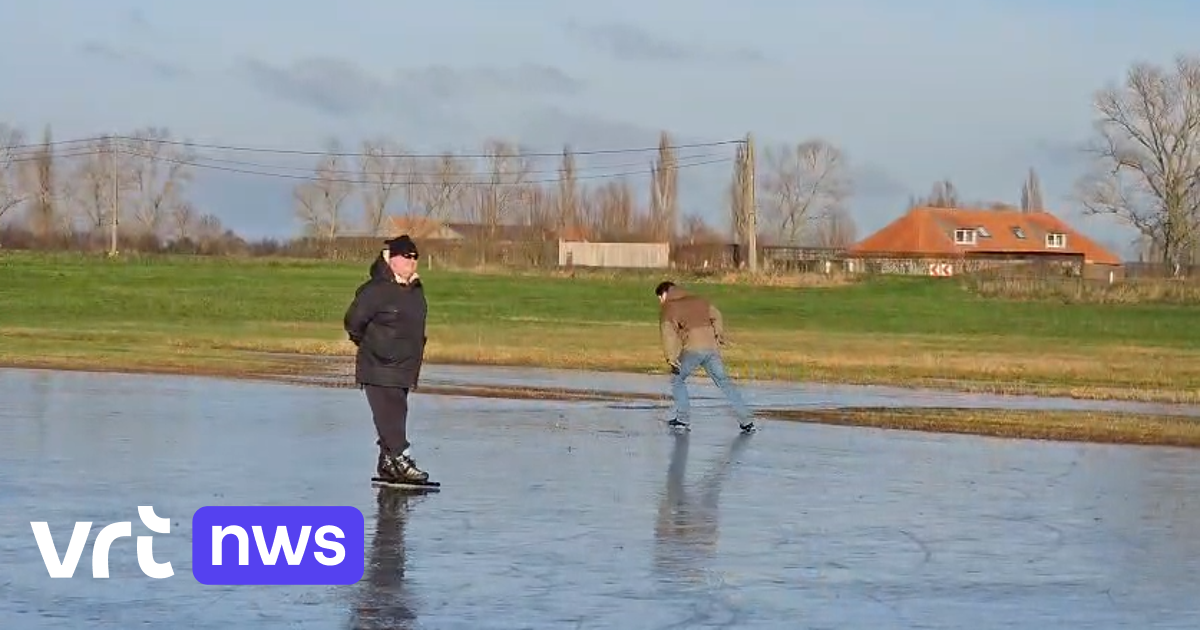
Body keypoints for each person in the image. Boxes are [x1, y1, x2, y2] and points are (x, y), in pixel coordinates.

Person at [344, 235, 431, 484]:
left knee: (397, 413)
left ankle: (388, 461)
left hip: (405, 367)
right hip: (378, 366)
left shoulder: (415, 290)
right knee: (389, 416)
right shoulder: (376, 290)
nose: (411, 262)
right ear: (391, 259)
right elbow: (353, 322)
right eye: (406, 256)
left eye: (415, 257)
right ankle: (400, 458)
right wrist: (374, 346)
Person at [655, 280, 755, 433]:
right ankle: (746, 421)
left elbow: (668, 334)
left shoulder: (670, 307)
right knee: (724, 383)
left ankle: (682, 419)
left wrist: (671, 358)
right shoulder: (700, 300)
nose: (660, 301)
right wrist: (718, 334)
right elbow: (717, 315)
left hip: (693, 348)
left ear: (665, 293)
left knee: (677, 379)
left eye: (660, 297)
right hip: (711, 348)